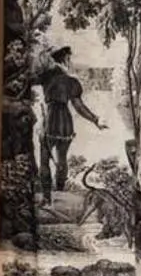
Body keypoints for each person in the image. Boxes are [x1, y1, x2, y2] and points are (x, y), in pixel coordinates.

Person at [36, 47, 104, 204]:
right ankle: (60, 191)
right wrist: (95, 120)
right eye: (69, 58)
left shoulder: (46, 76)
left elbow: (33, 77)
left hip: (51, 119)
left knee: (45, 159)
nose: (71, 61)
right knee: (62, 158)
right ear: (65, 59)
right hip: (65, 122)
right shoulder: (71, 81)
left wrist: (41, 59)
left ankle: (47, 198)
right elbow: (79, 107)